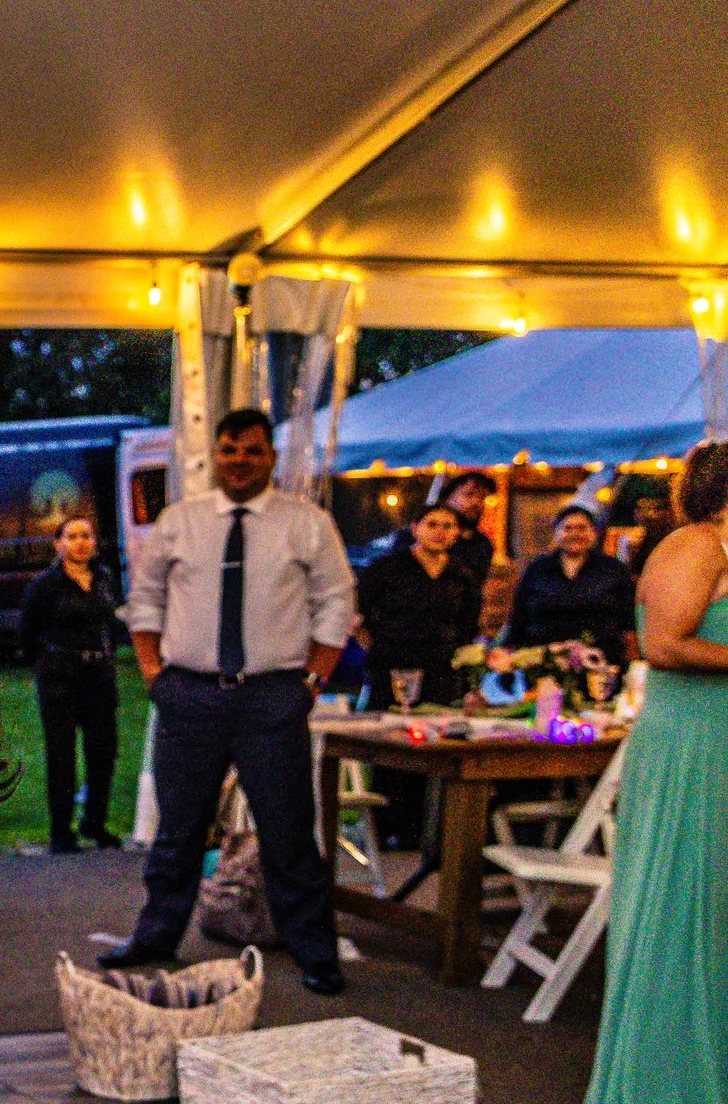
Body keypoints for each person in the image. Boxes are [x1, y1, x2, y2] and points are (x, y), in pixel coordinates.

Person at [104, 408, 357, 995]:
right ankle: (155, 936)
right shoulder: (180, 522)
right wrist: (153, 674)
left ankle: (313, 949)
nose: (238, 460)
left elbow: (336, 605)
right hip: (189, 694)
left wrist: (311, 683)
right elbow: (144, 602)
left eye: (251, 450)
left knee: (289, 830)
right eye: (228, 450)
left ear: (271, 455)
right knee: (180, 828)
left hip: (273, 697)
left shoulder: (307, 523)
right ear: (214, 455)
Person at [580, 441, 728, 1104]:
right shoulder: (695, 543)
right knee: (683, 909)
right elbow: (664, 643)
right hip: (694, 744)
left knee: (719, 919)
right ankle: (662, 1102)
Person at [354, 502, 484, 845]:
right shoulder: (388, 567)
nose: (440, 532)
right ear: (416, 528)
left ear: (456, 533)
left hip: (440, 673)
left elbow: (468, 626)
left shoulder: (462, 575)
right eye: (432, 524)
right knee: (389, 750)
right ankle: (382, 829)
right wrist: (378, 651)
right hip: (392, 670)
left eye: (447, 526)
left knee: (431, 750)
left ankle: (418, 832)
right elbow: (358, 616)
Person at [19, 513, 124, 852]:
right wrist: (49, 661)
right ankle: (62, 831)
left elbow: (116, 621)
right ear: (59, 544)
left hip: (99, 675)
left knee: (103, 750)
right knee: (62, 754)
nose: (81, 542)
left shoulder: (105, 579)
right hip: (59, 677)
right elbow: (27, 632)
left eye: (87, 536)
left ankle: (95, 822)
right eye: (73, 536)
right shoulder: (45, 585)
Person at [504, 502, 637, 662]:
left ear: (594, 533)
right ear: (556, 534)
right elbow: (519, 617)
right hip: (542, 662)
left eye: (582, 528)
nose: (575, 534)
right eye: (567, 528)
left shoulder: (614, 569)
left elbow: (629, 622)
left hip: (601, 663)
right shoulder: (537, 569)